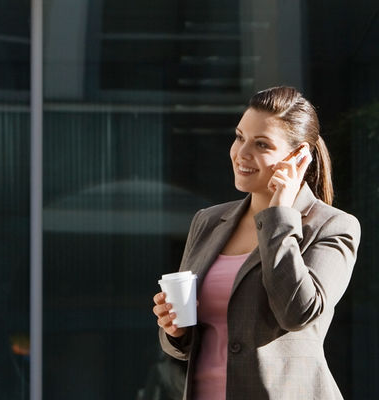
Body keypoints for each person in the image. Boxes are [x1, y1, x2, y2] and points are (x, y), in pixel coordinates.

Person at [151, 86, 361, 399]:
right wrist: (175, 330)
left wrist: (279, 215)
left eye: (261, 144)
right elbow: (190, 343)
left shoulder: (331, 226)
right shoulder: (208, 222)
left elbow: (297, 313)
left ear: (299, 157)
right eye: (239, 137)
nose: (241, 153)